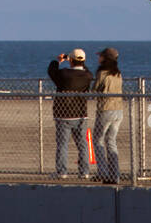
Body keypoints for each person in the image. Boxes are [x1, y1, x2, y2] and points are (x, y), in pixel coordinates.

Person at [47, 48, 92, 179]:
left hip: (63, 113)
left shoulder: (64, 74)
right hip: (81, 113)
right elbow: (88, 71)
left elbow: (51, 71)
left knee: (62, 144)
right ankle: (84, 172)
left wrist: (58, 61)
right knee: (82, 144)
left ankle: (62, 172)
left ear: (71, 61)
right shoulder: (87, 76)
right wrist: (77, 60)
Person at [93, 47, 123, 184]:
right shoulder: (118, 73)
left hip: (105, 109)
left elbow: (95, 89)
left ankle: (103, 172)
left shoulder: (102, 73)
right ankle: (114, 174)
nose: (99, 58)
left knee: (98, 140)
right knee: (111, 141)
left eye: (101, 56)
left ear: (105, 58)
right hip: (118, 110)